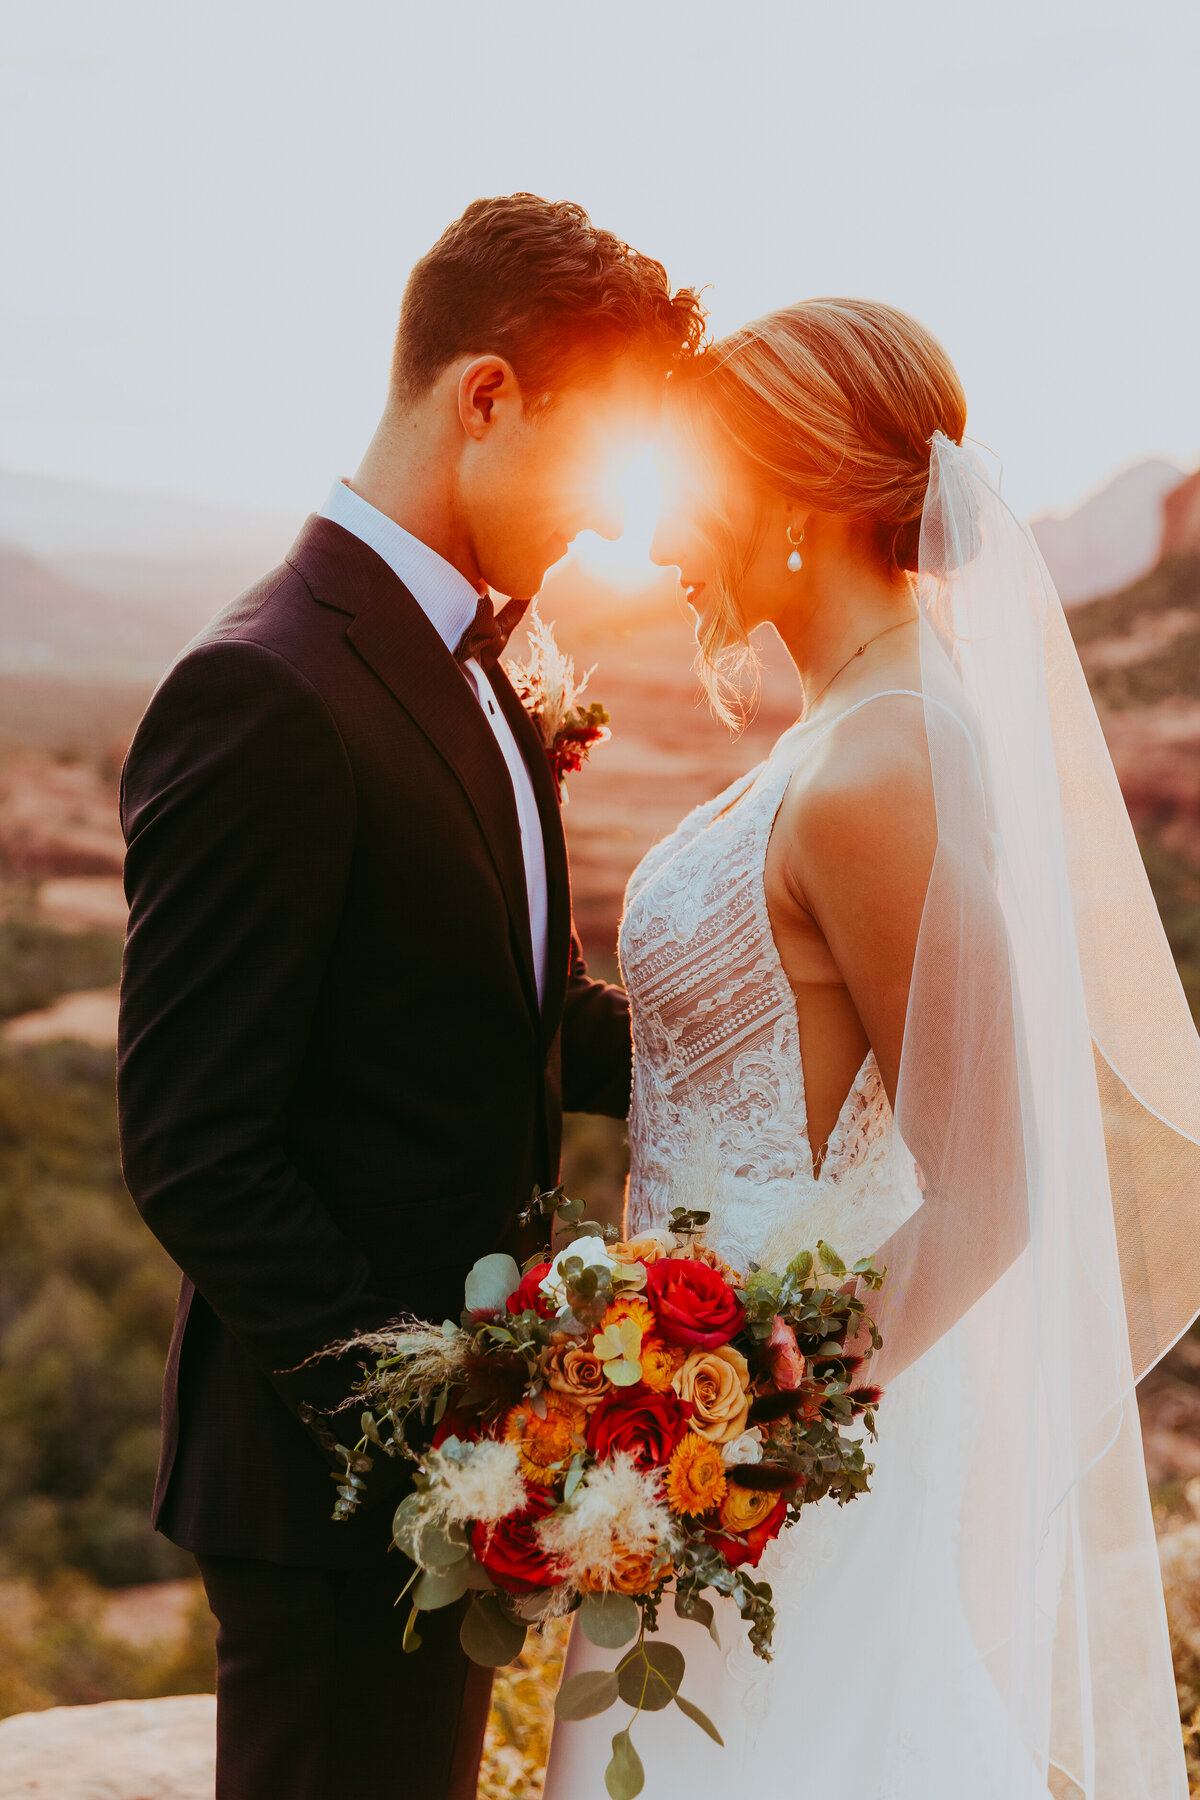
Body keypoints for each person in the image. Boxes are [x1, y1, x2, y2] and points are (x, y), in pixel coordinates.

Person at [544, 299, 1200, 1797]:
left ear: (793, 496)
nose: (664, 546)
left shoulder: (886, 757)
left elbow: (989, 1188)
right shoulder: (845, 728)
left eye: (696, 491)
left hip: (787, 1459)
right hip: (707, 1429)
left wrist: (745, 1426)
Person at [116, 193, 705, 1800]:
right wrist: (440, 1424)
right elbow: (195, 1148)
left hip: (464, 1482)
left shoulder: (485, 661)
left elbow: (515, 1005)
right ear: (487, 397)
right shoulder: (264, 690)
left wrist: (760, 1053)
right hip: (333, 1500)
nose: (602, 527)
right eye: (594, 469)